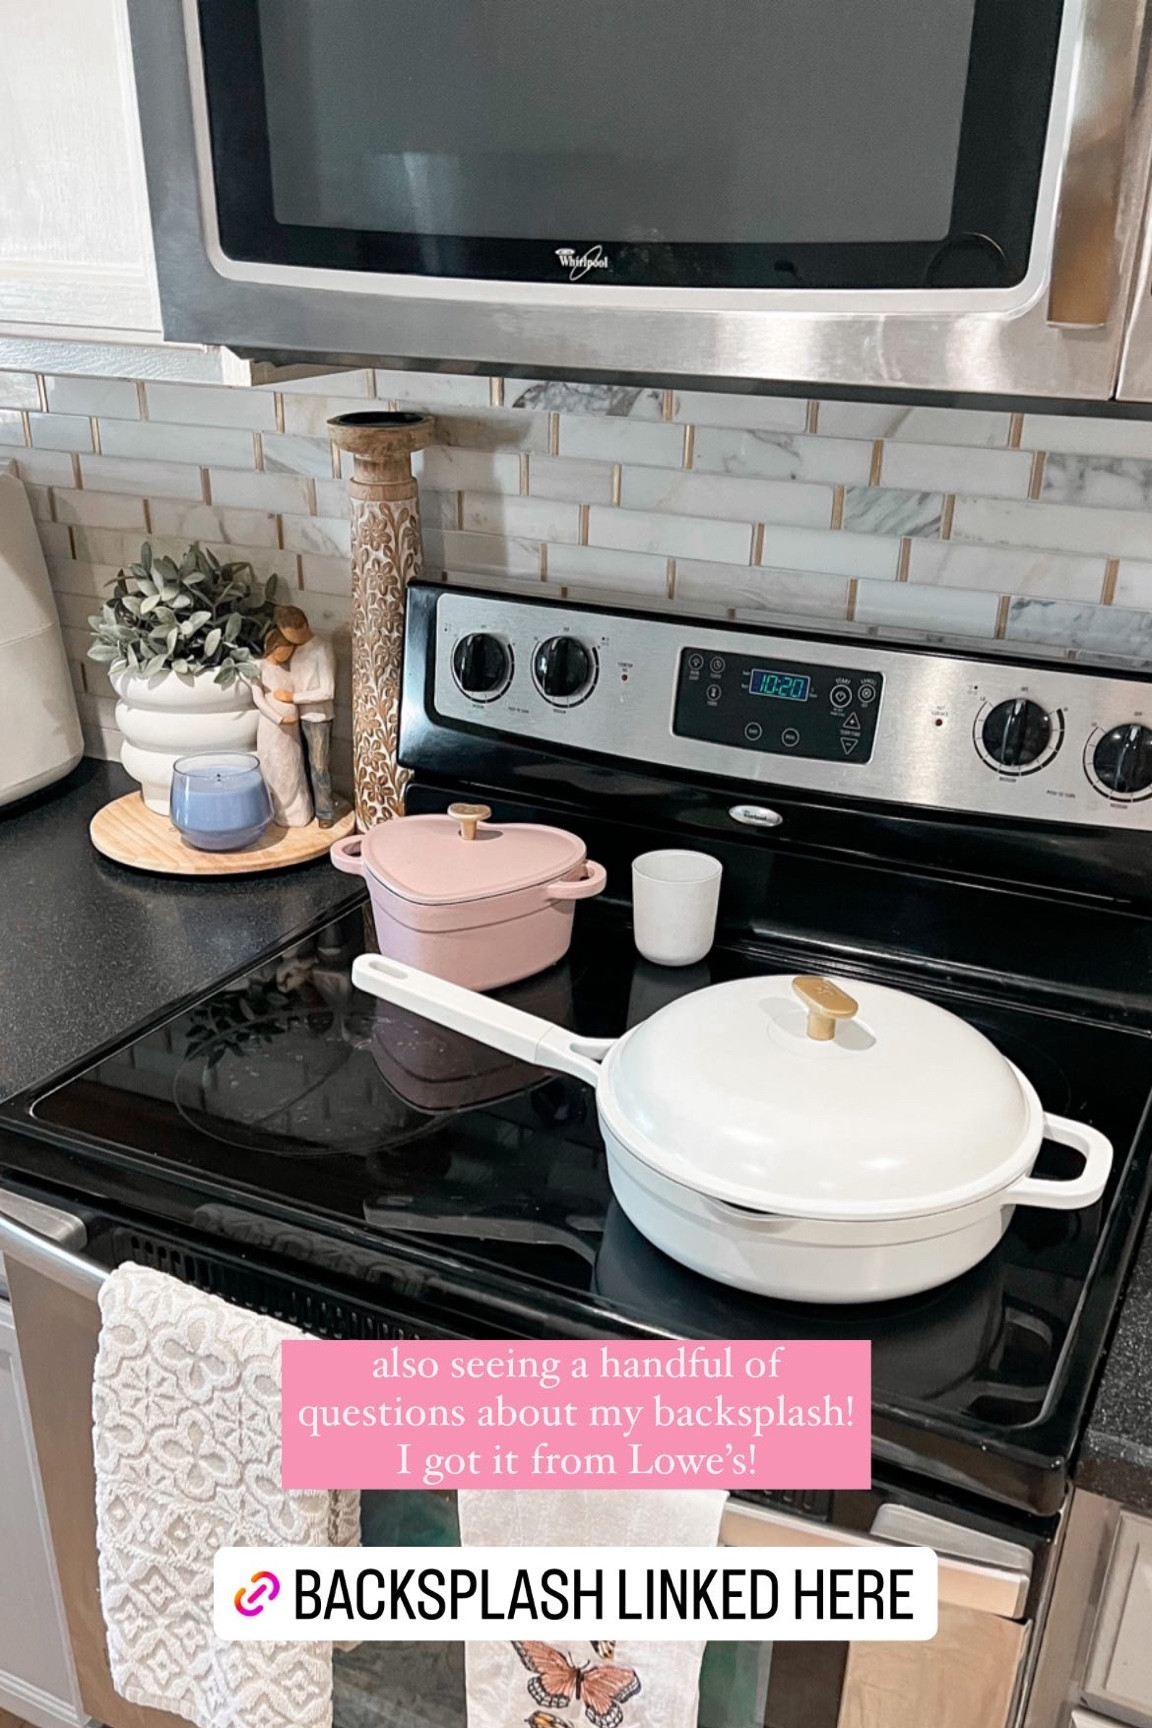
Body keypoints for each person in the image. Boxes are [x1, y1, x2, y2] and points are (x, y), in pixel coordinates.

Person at [272, 605, 338, 827]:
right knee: (298, 763)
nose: (291, 639)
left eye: (293, 633)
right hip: (296, 715)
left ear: (304, 626)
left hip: (318, 718)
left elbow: (327, 690)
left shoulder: (321, 649)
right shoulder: (294, 648)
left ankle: (325, 812)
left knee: (319, 766)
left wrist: (294, 697)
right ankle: (306, 806)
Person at [251, 628, 313, 826]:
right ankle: (279, 812)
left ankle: (299, 813)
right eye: (286, 649)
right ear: (275, 647)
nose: (288, 654)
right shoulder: (259, 668)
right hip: (273, 729)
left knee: (293, 767)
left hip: (291, 731)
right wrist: (278, 717)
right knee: (276, 767)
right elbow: (258, 699)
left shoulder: (287, 669)